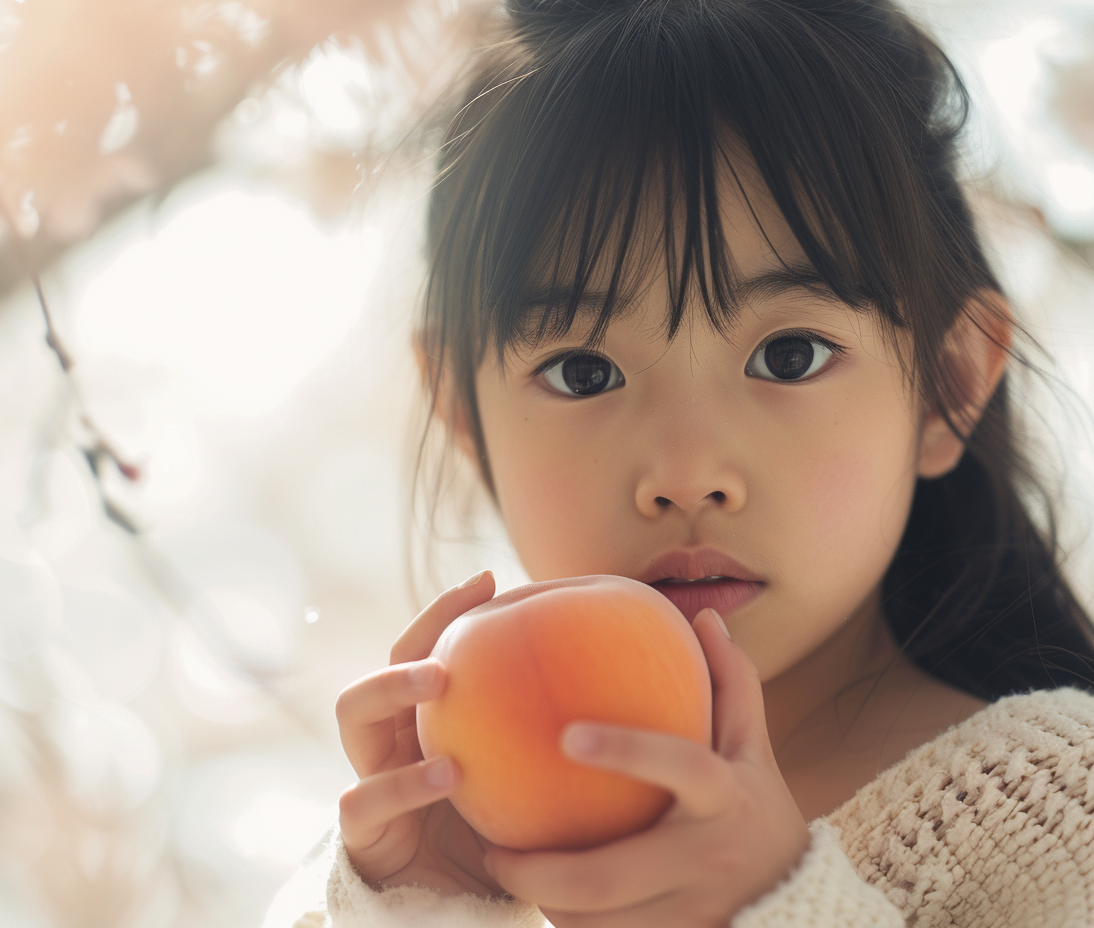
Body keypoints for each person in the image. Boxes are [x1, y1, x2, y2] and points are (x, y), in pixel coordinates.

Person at [275, 0, 1094, 924]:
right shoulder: (419, 862)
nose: (686, 470)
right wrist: (427, 909)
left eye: (789, 355)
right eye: (584, 371)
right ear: (464, 415)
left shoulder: (1063, 811)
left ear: (945, 385)